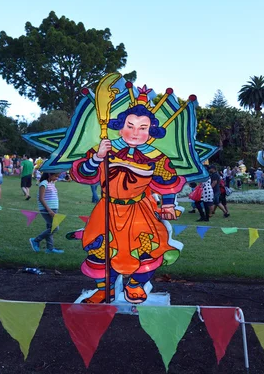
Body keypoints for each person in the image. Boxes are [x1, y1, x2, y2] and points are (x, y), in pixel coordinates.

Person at [70, 85, 184, 304]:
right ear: (120, 126)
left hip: (138, 212)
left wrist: (168, 205)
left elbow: (167, 183)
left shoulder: (157, 157)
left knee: (145, 248)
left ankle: (135, 285)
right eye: (129, 125)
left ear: (151, 131)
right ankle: (106, 290)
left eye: (143, 127)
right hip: (106, 210)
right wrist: (97, 157)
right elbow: (83, 173)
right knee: (101, 250)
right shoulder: (104, 148)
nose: (135, 132)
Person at [29, 172, 64, 254]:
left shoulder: (51, 183)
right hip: (47, 209)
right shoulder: (43, 183)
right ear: (49, 174)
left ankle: (50, 249)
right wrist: (49, 210)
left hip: (53, 208)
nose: (57, 178)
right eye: (55, 176)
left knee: (50, 227)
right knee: (55, 228)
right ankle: (35, 240)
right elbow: (41, 198)